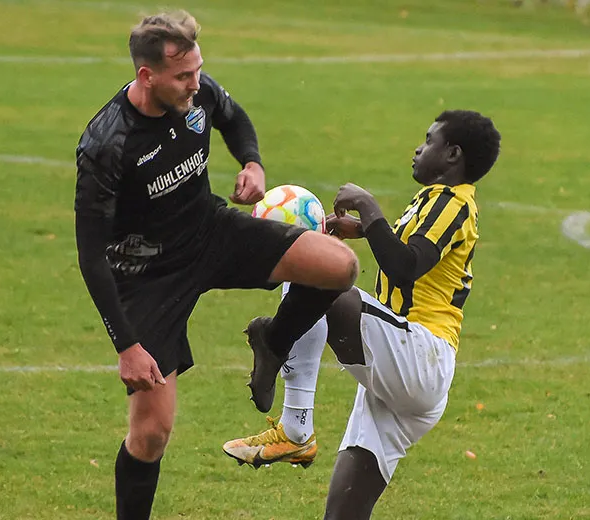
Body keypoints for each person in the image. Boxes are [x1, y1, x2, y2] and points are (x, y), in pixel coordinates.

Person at [74, 11, 358, 520]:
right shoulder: (107, 145)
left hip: (210, 232)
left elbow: (234, 118)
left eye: (198, 70)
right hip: (147, 276)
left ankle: (274, 340)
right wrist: (127, 347)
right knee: (151, 433)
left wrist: (252, 162)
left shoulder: (195, 92)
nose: (196, 83)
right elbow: (91, 256)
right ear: (147, 76)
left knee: (339, 266)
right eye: (183, 76)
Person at [223, 110, 501, 519]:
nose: (419, 149)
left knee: (321, 271)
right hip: (407, 373)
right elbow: (410, 254)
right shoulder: (438, 200)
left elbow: (405, 266)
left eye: (429, 141)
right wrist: (362, 229)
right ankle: (295, 428)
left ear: (452, 155)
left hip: (417, 353)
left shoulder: (452, 202)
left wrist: (370, 209)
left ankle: (278, 352)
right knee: (343, 514)